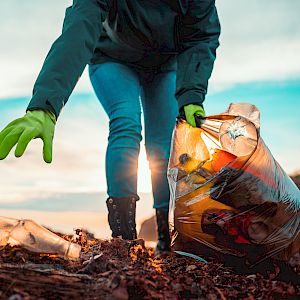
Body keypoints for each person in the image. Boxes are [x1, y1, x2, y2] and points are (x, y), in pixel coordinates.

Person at [0, 0, 220, 253]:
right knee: (126, 123)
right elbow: (80, 26)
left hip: (166, 66)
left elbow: (201, 35)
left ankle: (166, 235)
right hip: (112, 59)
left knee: (163, 147)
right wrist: (45, 105)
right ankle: (123, 237)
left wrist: (191, 95)